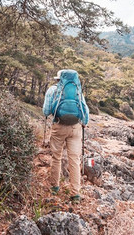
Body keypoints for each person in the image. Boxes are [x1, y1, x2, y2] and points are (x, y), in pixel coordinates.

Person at [42, 69, 89, 203]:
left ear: (59, 79)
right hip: (76, 128)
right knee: (74, 159)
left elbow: (46, 110)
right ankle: (75, 194)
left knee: (56, 157)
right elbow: (85, 111)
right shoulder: (78, 91)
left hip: (59, 126)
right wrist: (83, 124)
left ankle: (55, 187)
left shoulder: (52, 90)